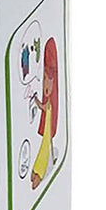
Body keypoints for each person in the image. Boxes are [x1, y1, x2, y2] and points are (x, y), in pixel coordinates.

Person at [31, 36, 59, 189]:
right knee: (44, 149)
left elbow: (43, 106)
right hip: (47, 132)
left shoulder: (49, 102)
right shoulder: (49, 101)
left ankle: (38, 172)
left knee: (44, 150)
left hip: (48, 132)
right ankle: (37, 171)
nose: (45, 88)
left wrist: (36, 100)